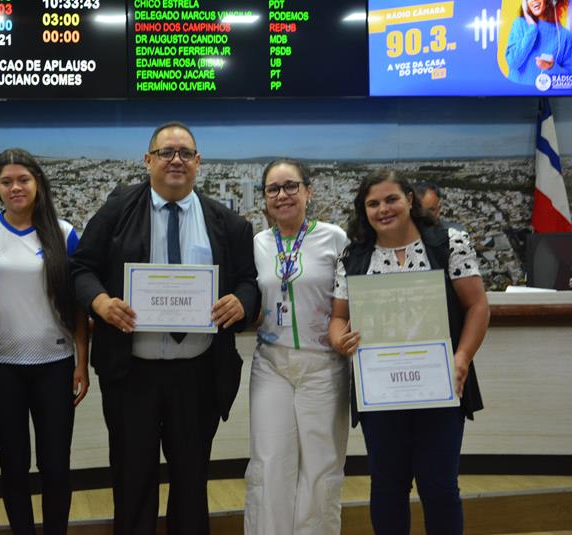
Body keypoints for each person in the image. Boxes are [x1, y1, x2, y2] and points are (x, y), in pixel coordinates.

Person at [70, 121, 259, 535]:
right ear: (148, 160)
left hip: (197, 376)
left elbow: (249, 282)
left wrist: (241, 301)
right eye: (167, 152)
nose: (177, 160)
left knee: (192, 484)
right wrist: (101, 303)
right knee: (132, 480)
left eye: (186, 153)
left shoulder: (228, 222)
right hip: (130, 374)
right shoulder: (117, 210)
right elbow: (81, 269)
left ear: (198, 162)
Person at [328, 171, 490, 535]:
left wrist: (461, 358)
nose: (383, 209)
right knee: (387, 488)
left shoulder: (448, 243)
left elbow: (478, 307)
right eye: (373, 203)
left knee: (440, 488)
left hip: (441, 386)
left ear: (409, 200)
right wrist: (341, 341)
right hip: (381, 393)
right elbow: (338, 318)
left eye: (391, 199)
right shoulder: (353, 256)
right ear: (364, 210)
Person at [0, 148, 89, 535]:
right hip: (1, 366)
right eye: (6, 182)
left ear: (38, 184)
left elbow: (77, 306)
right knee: (13, 465)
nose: (15, 187)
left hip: (55, 364)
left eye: (23, 179)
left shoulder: (64, 231)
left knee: (56, 465)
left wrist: (82, 362)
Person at [244, 159, 350, 534]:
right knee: (269, 464)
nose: (282, 195)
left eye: (291, 186)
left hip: (324, 364)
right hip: (271, 364)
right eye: (273, 189)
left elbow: (350, 301)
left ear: (308, 190)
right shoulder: (256, 243)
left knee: (321, 468)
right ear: (265, 199)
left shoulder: (334, 238)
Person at [506, 0, 572, 84]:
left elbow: (569, 79)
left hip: (549, 96)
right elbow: (513, 62)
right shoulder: (519, 24)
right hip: (516, 95)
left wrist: (552, 68)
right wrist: (532, 28)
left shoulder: (564, 35)